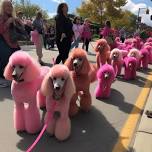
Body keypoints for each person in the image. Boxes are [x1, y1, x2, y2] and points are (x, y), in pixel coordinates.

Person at [0, 0, 21, 87]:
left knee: (19, 58)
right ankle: (1, 79)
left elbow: (19, 31)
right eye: (7, 6)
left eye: (10, 6)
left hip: (13, 43)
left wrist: (19, 23)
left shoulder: (13, 17)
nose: (9, 8)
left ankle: (15, 77)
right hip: (3, 42)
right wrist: (8, 22)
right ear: (2, 7)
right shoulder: (1, 16)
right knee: (4, 60)